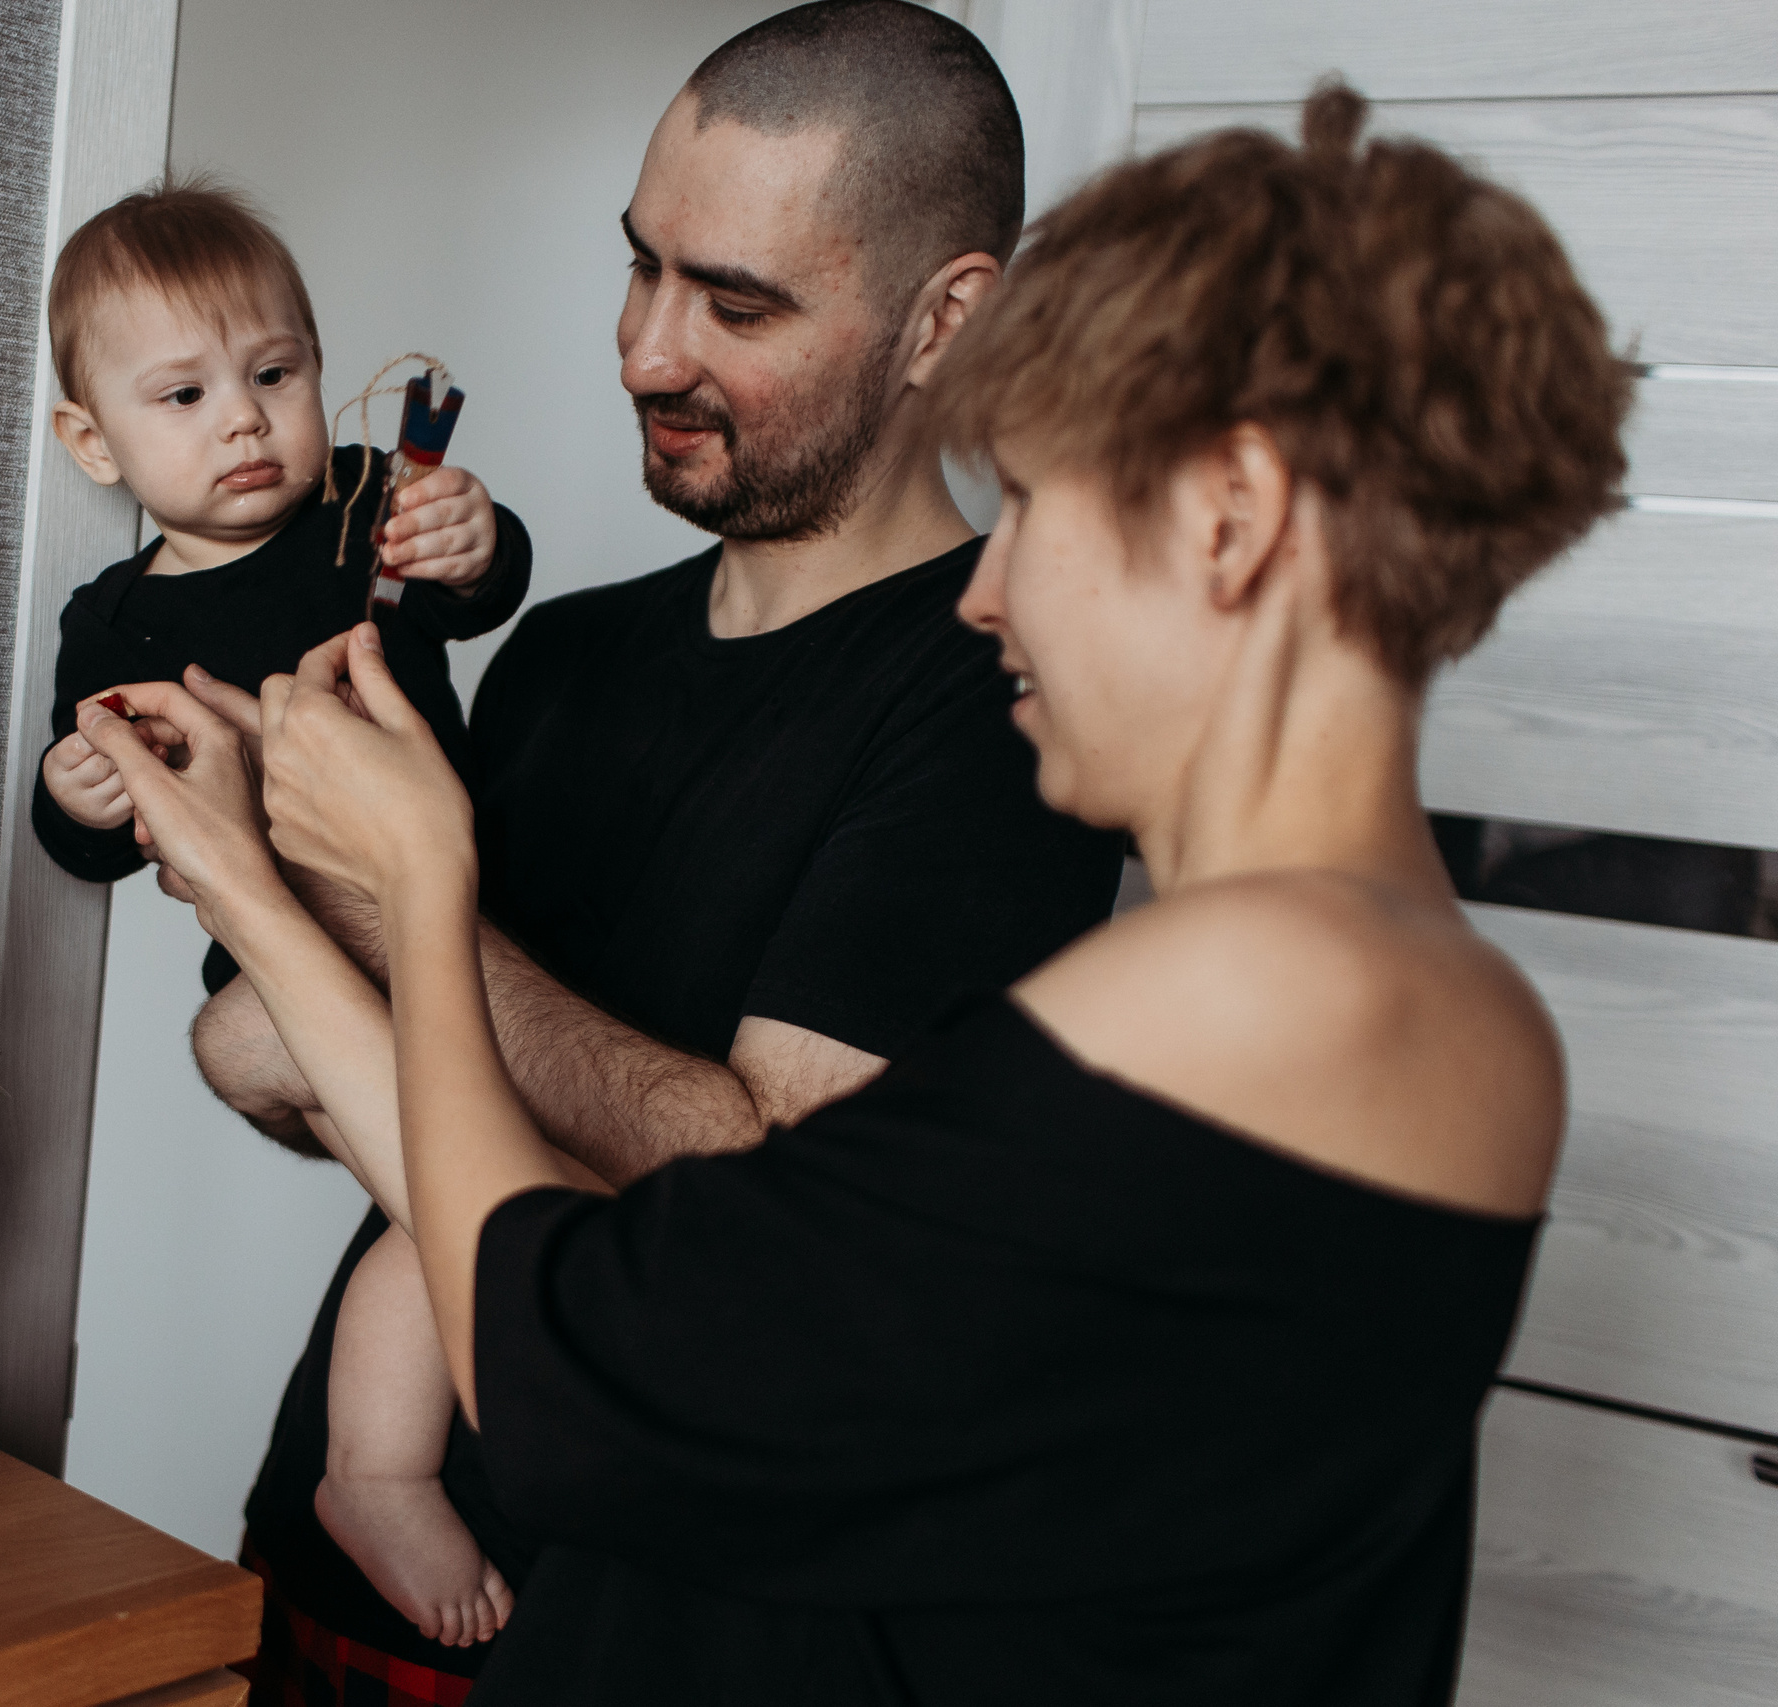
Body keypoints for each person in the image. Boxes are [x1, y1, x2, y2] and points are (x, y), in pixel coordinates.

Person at [82, 76, 1631, 1706]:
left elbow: (591, 1373)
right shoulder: (1457, 1010)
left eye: (1035, 503)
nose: (989, 587)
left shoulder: (1241, 992)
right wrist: (285, 898)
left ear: (1233, 519)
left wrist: (383, 882)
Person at [178, 2, 1124, 1694]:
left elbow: (770, 1231)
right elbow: (281, 1066)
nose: (643, 352)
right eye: (642, 267)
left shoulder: (1005, 711)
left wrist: (387, 899)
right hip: (335, 1544)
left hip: (616, 1635)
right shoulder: (561, 654)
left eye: (736, 305)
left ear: (946, 319)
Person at [26, 179, 534, 1646]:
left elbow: (484, 588)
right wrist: (79, 792)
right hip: (297, 969)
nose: (244, 422)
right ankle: (378, 1469)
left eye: (276, 374)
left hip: (466, 937)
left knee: (448, 1199)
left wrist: (474, 538)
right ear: (93, 442)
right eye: (184, 395)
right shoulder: (115, 624)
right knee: (451, 1200)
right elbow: (86, 852)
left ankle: (385, 1461)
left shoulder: (362, 508)